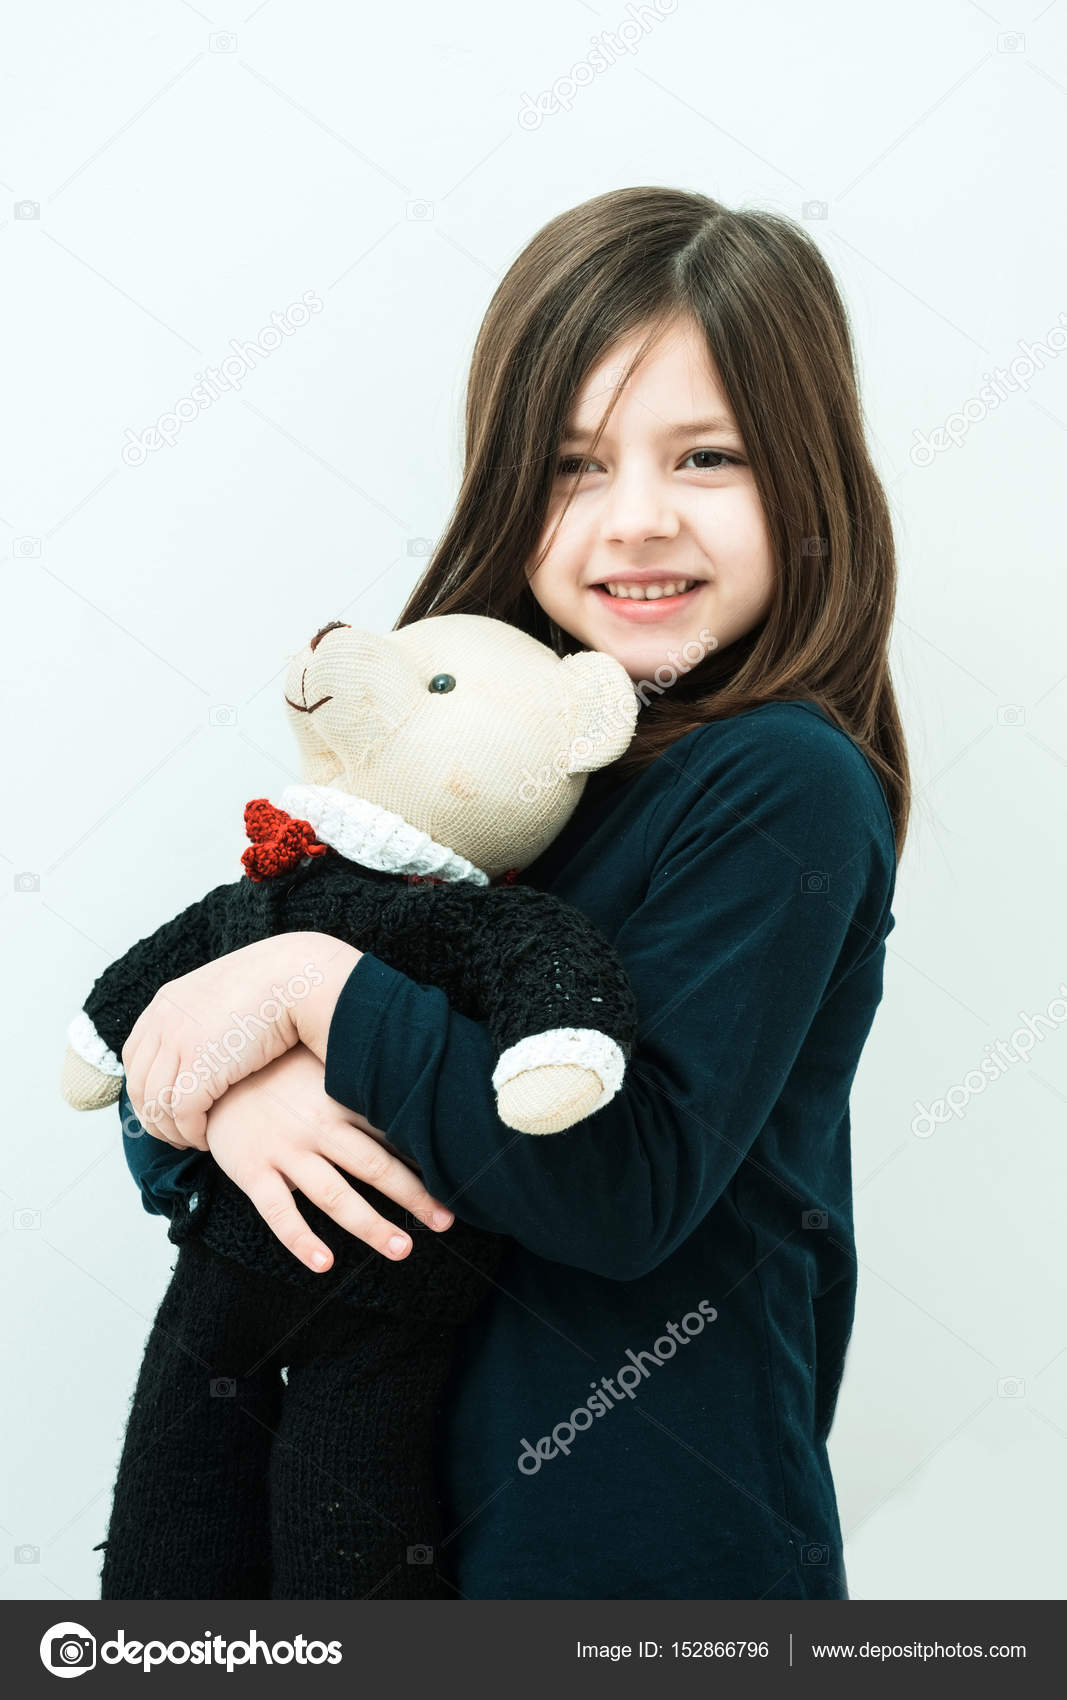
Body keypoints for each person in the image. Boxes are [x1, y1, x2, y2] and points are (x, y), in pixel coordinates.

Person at [114, 184, 908, 1601]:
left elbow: (624, 1190)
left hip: (645, 1566)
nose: (637, 521)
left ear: (809, 480)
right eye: (575, 464)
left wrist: (310, 998)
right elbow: (165, 1090)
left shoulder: (784, 784)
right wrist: (243, 1097)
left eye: (708, 456)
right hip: (379, 1552)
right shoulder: (470, 769)